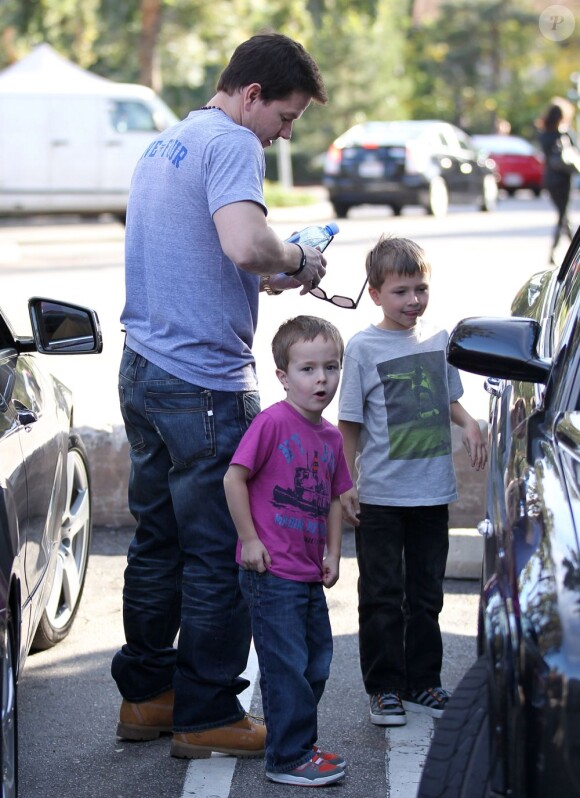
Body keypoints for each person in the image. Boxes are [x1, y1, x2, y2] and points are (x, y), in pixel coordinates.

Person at [112, 32, 329, 760]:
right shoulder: (236, 141)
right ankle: (207, 714)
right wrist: (297, 257)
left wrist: (266, 269)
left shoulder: (169, 140)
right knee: (220, 554)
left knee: (156, 543)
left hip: (143, 370)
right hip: (201, 381)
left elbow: (210, 251)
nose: (285, 133)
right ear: (252, 95)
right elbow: (244, 244)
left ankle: (147, 697)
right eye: (286, 117)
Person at [338, 235, 487, 727]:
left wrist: (467, 423)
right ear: (376, 294)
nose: (413, 301)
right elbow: (350, 424)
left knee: (426, 595)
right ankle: (384, 688)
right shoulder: (362, 347)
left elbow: (448, 398)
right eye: (401, 291)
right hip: (380, 495)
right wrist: (345, 484)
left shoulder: (438, 340)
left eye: (420, 289)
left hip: (431, 493)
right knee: (381, 595)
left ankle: (424, 681)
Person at [223, 316, 352, 787]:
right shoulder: (272, 422)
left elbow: (336, 497)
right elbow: (233, 478)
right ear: (282, 375)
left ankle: (294, 741)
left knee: (316, 662)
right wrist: (250, 539)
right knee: (286, 667)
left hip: (307, 573)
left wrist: (334, 553)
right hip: (272, 572)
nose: (322, 379)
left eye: (331, 367)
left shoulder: (332, 437)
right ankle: (288, 757)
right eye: (308, 369)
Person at [537, 98, 580, 264]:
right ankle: (556, 252)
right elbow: (576, 151)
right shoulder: (564, 132)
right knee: (563, 215)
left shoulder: (543, 134)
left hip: (549, 178)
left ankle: (572, 253)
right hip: (563, 178)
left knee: (564, 216)